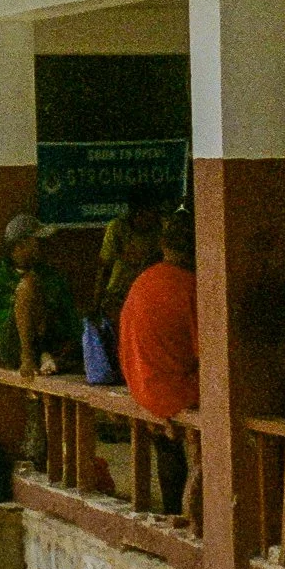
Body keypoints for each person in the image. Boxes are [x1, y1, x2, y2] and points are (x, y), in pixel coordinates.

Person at [118, 213, 200, 518]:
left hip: (140, 384)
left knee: (167, 451)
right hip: (172, 391)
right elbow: (209, 356)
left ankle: (172, 510)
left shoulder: (142, 280)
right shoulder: (189, 287)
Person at [0, 213, 82, 378]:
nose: (42, 246)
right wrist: (22, 315)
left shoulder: (52, 276)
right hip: (12, 344)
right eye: (37, 241)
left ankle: (46, 356)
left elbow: (70, 318)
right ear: (20, 246)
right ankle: (29, 356)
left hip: (49, 338)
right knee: (28, 285)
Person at [98, 186, 168, 320]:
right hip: (118, 296)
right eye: (154, 211)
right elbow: (104, 267)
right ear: (139, 212)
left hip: (147, 297)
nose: (157, 215)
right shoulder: (118, 228)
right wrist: (97, 303)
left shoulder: (159, 230)